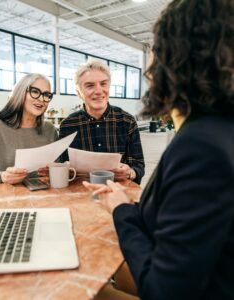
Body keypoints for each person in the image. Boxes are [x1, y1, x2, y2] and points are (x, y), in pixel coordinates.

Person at [83, 0, 234, 299]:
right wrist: (127, 204)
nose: (150, 69)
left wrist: (121, 210)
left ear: (176, 57)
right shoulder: (215, 130)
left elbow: (163, 290)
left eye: (156, 51)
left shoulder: (201, 146)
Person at [59, 59, 145, 184]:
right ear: (78, 92)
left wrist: (130, 172)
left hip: (118, 193)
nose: (99, 91)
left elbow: (138, 166)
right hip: (81, 194)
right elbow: (63, 169)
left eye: (103, 84)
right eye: (90, 85)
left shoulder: (127, 121)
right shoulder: (68, 125)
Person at [0, 73, 58, 185]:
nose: (41, 99)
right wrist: (2, 177)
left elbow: (57, 167)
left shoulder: (50, 130)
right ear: (20, 93)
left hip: (47, 197)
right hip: (8, 199)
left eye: (46, 94)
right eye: (35, 91)